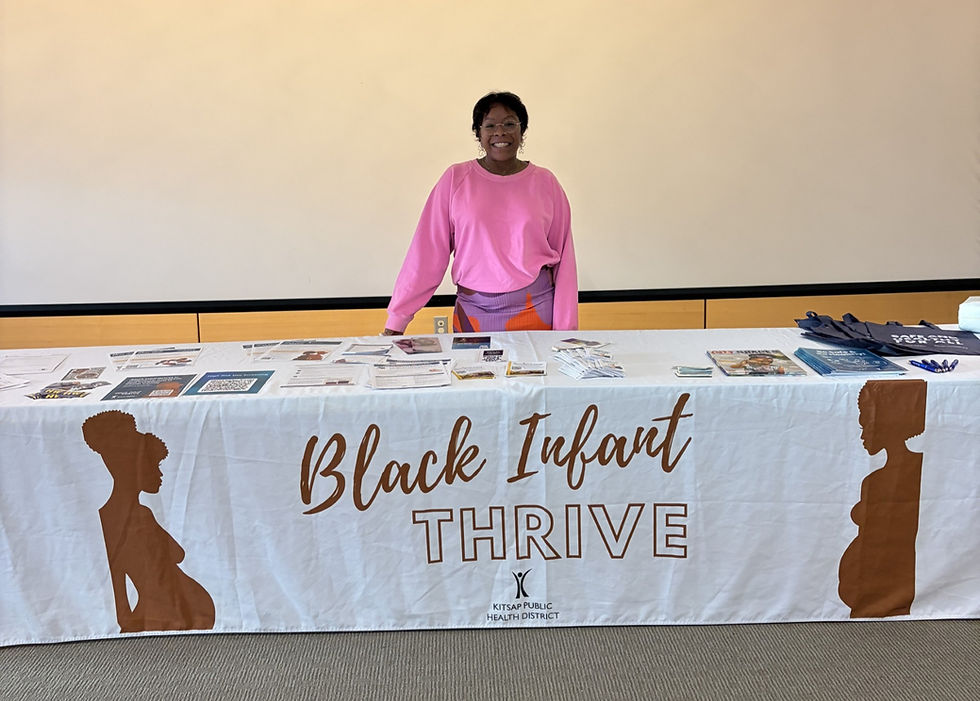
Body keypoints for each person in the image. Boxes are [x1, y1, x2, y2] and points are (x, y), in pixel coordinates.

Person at [383, 91, 577, 335]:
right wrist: (397, 320)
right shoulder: (455, 179)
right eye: (490, 125)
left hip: (535, 312)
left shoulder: (545, 182)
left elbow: (565, 261)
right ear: (478, 133)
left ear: (522, 131)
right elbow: (425, 255)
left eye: (509, 124)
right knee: (471, 374)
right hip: (473, 316)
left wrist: (568, 331)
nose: (500, 132)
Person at [82, 411, 215, 633]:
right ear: (133, 467)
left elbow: (118, 576)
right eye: (154, 465)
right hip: (164, 610)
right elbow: (177, 554)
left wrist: (124, 617)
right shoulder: (137, 515)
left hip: (163, 608)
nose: (160, 473)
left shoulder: (122, 514)